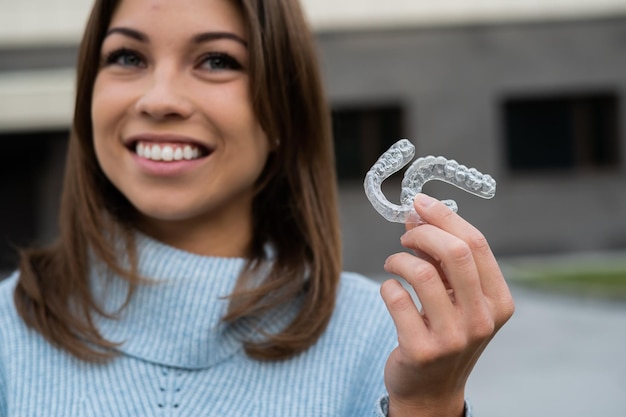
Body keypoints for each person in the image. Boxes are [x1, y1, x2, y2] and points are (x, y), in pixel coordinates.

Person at [0, 0, 515, 415]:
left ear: (282, 113)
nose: (159, 100)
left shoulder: (383, 342)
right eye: (127, 57)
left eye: (217, 60)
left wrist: (427, 406)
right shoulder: (7, 331)